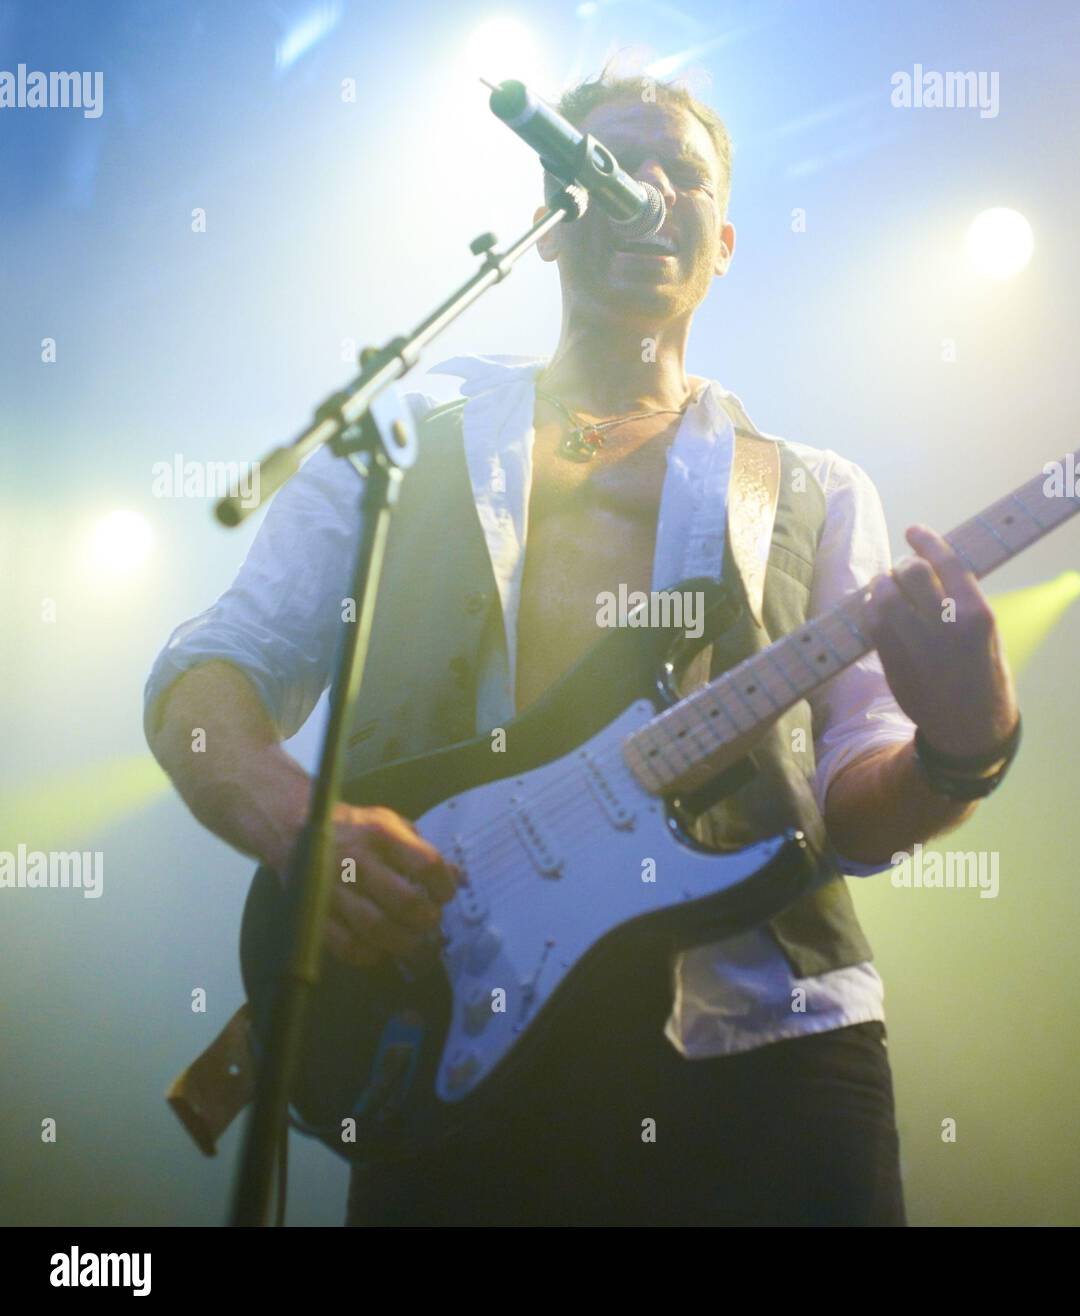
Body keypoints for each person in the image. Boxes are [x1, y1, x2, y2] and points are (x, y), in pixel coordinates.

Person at [144, 69, 1020, 1226]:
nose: (647, 190)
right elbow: (211, 671)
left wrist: (967, 743)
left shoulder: (811, 490)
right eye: (607, 164)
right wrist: (291, 824)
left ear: (725, 240)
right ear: (548, 223)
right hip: (448, 1030)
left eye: (685, 176)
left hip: (764, 1053)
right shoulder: (407, 440)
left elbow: (849, 804)